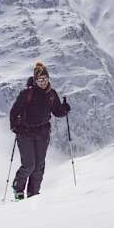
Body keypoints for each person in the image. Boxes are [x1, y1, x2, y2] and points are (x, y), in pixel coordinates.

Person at [9, 62, 70, 200]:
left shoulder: (51, 94)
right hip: (25, 133)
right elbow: (14, 111)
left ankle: (33, 193)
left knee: (39, 166)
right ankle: (18, 189)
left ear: (48, 79)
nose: (43, 82)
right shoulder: (27, 93)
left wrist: (64, 110)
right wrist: (15, 126)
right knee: (29, 165)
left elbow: (56, 112)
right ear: (35, 80)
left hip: (43, 133)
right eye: (40, 79)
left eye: (45, 79)